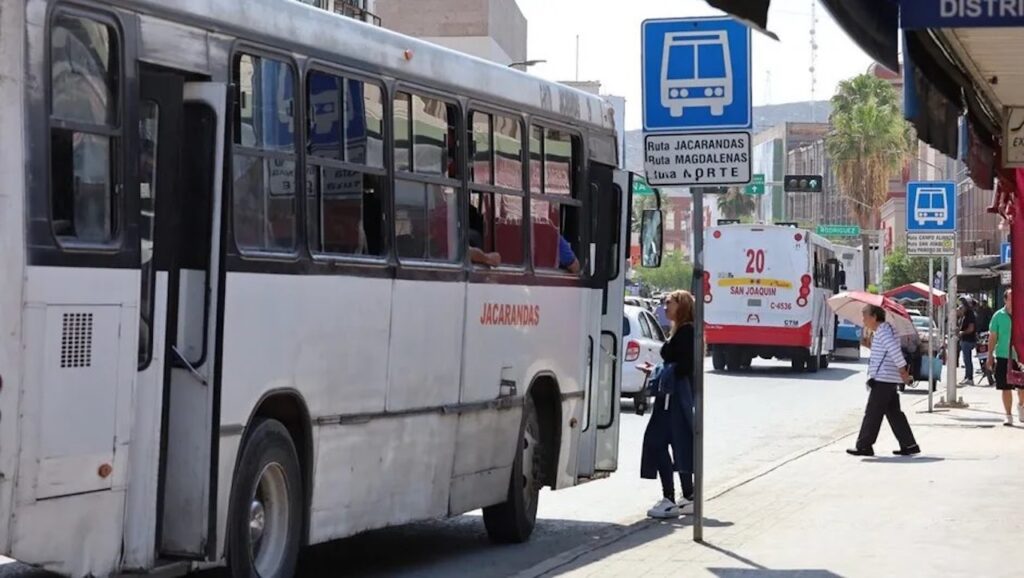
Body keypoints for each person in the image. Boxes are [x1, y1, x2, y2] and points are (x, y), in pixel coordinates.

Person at [640, 290, 696, 518]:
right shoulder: (682, 331)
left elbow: (683, 367)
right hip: (672, 397)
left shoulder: (686, 333)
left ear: (681, 306)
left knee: (657, 442)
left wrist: (655, 370)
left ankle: (670, 498)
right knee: (678, 442)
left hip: (672, 398)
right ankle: (688, 496)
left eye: (669, 303)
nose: (664, 307)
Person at [848, 304, 921, 457]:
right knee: (894, 413)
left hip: (884, 379)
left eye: (865, 315)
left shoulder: (884, 331)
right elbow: (884, 352)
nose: (863, 319)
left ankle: (864, 445)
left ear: (874, 317)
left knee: (873, 412)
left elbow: (894, 351)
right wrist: (868, 344)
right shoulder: (883, 331)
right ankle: (909, 444)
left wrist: (903, 372)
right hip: (887, 378)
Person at [986, 290, 1023, 426]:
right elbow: (993, 337)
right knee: (1005, 387)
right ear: (1005, 300)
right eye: (1011, 298)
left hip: (1020, 357)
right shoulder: (998, 316)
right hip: (1003, 356)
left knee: (1022, 387)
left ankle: (1021, 405)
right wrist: (990, 355)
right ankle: (1008, 415)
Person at [958, 297, 978, 385]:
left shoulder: (970, 315)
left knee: (967, 359)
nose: (962, 306)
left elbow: (971, 328)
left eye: (963, 304)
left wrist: (962, 333)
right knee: (965, 359)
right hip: (965, 340)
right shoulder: (965, 315)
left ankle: (969, 378)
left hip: (968, 340)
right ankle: (967, 376)